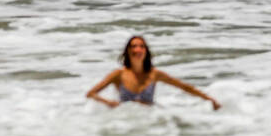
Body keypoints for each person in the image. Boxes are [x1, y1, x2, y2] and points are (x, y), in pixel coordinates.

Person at [87, 35, 221, 110]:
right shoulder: (118, 74)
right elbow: (91, 94)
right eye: (134, 46)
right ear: (128, 51)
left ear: (146, 51)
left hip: (151, 119)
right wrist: (110, 103)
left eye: (141, 46)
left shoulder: (154, 74)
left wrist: (209, 100)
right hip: (126, 121)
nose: (138, 49)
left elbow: (184, 87)